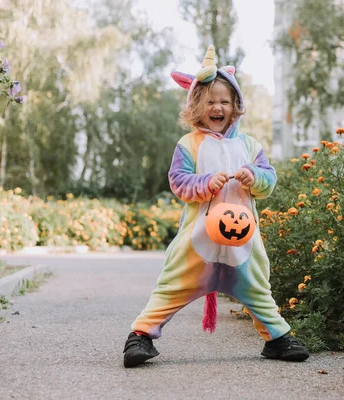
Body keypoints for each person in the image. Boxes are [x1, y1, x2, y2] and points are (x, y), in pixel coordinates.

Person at [123, 45, 309, 368]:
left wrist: (254, 176)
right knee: (172, 286)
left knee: (257, 290)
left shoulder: (250, 145)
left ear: (235, 106)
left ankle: (277, 338)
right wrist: (204, 183)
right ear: (196, 106)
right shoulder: (188, 145)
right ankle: (140, 336)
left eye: (224, 101)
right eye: (210, 101)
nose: (218, 107)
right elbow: (178, 181)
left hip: (243, 243)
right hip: (198, 244)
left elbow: (269, 178)